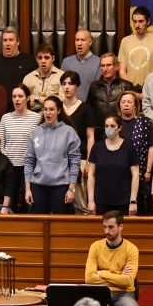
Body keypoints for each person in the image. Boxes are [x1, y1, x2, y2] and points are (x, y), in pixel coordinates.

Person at [24, 96, 81, 214]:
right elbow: (29, 161)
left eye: (51, 109)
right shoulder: (35, 132)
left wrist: (72, 189)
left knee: (60, 227)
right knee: (38, 226)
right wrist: (28, 189)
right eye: (45, 109)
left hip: (61, 187)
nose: (47, 113)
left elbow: (74, 162)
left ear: (59, 110)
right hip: (38, 186)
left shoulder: (69, 132)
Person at [0, 85, 40, 213]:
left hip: (30, 167)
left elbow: (39, 143)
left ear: (27, 98)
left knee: (31, 203)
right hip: (10, 167)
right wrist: (5, 162)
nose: (17, 99)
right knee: (9, 204)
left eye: (20, 96)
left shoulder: (36, 118)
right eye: (14, 96)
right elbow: (0, 142)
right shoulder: (6, 118)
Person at [87, 114, 140, 215]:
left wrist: (133, 201)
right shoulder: (97, 147)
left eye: (112, 126)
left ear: (119, 128)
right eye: (106, 126)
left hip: (123, 202)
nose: (109, 129)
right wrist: (90, 200)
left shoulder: (129, 147)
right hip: (101, 201)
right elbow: (91, 175)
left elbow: (136, 175)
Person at [85, 210, 139, 306]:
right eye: (104, 227)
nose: (106, 231)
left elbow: (128, 281)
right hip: (101, 291)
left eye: (111, 227)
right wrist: (119, 276)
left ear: (120, 227)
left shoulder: (131, 249)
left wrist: (102, 273)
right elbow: (89, 279)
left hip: (123, 294)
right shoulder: (95, 246)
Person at [60, 70, 96, 213]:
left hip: (80, 157)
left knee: (81, 201)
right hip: (60, 159)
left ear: (77, 86)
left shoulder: (86, 108)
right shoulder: (58, 108)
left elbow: (90, 136)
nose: (67, 87)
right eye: (64, 84)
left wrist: (89, 161)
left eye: (71, 83)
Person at [118, 89, 153, 213]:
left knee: (137, 208)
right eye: (123, 102)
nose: (126, 104)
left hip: (139, 173)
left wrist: (148, 170)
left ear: (135, 105)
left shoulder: (144, 122)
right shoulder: (114, 122)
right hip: (117, 173)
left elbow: (151, 147)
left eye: (129, 102)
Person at [88, 53, 134, 142]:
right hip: (98, 133)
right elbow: (89, 110)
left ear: (117, 66)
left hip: (120, 132)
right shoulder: (94, 86)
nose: (105, 69)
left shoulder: (126, 86)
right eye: (102, 66)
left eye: (109, 65)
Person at [0, 27, 38, 111]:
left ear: (18, 42)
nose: (7, 43)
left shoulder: (29, 60)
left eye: (11, 40)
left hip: (23, 110)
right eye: (5, 40)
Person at [118, 6, 153, 90]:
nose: (137, 25)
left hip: (151, 89)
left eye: (140, 21)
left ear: (148, 21)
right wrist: (131, 89)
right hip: (129, 92)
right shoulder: (125, 41)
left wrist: (149, 90)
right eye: (134, 21)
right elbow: (122, 71)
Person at [61, 27, 101, 100]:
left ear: (90, 42)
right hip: (70, 107)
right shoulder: (66, 62)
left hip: (90, 107)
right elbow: (62, 88)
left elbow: (98, 90)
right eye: (77, 40)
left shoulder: (99, 62)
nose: (79, 43)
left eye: (83, 40)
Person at [23, 44, 64, 112]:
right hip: (33, 116)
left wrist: (37, 98)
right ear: (36, 59)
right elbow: (24, 101)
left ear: (53, 58)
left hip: (54, 115)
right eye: (40, 58)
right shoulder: (28, 78)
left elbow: (62, 101)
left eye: (46, 57)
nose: (43, 61)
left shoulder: (62, 76)